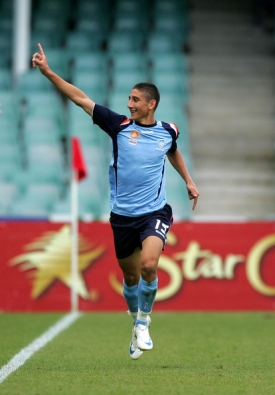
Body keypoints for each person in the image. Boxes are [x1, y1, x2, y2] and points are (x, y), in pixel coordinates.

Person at [32, 43, 199, 360]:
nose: (129, 104)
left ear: (151, 104)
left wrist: (188, 181)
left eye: (135, 100)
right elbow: (80, 98)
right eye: (129, 99)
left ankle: (144, 322)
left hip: (155, 211)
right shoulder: (119, 125)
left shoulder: (168, 130)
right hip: (122, 216)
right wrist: (49, 72)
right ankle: (135, 319)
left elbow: (172, 149)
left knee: (149, 266)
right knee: (131, 277)